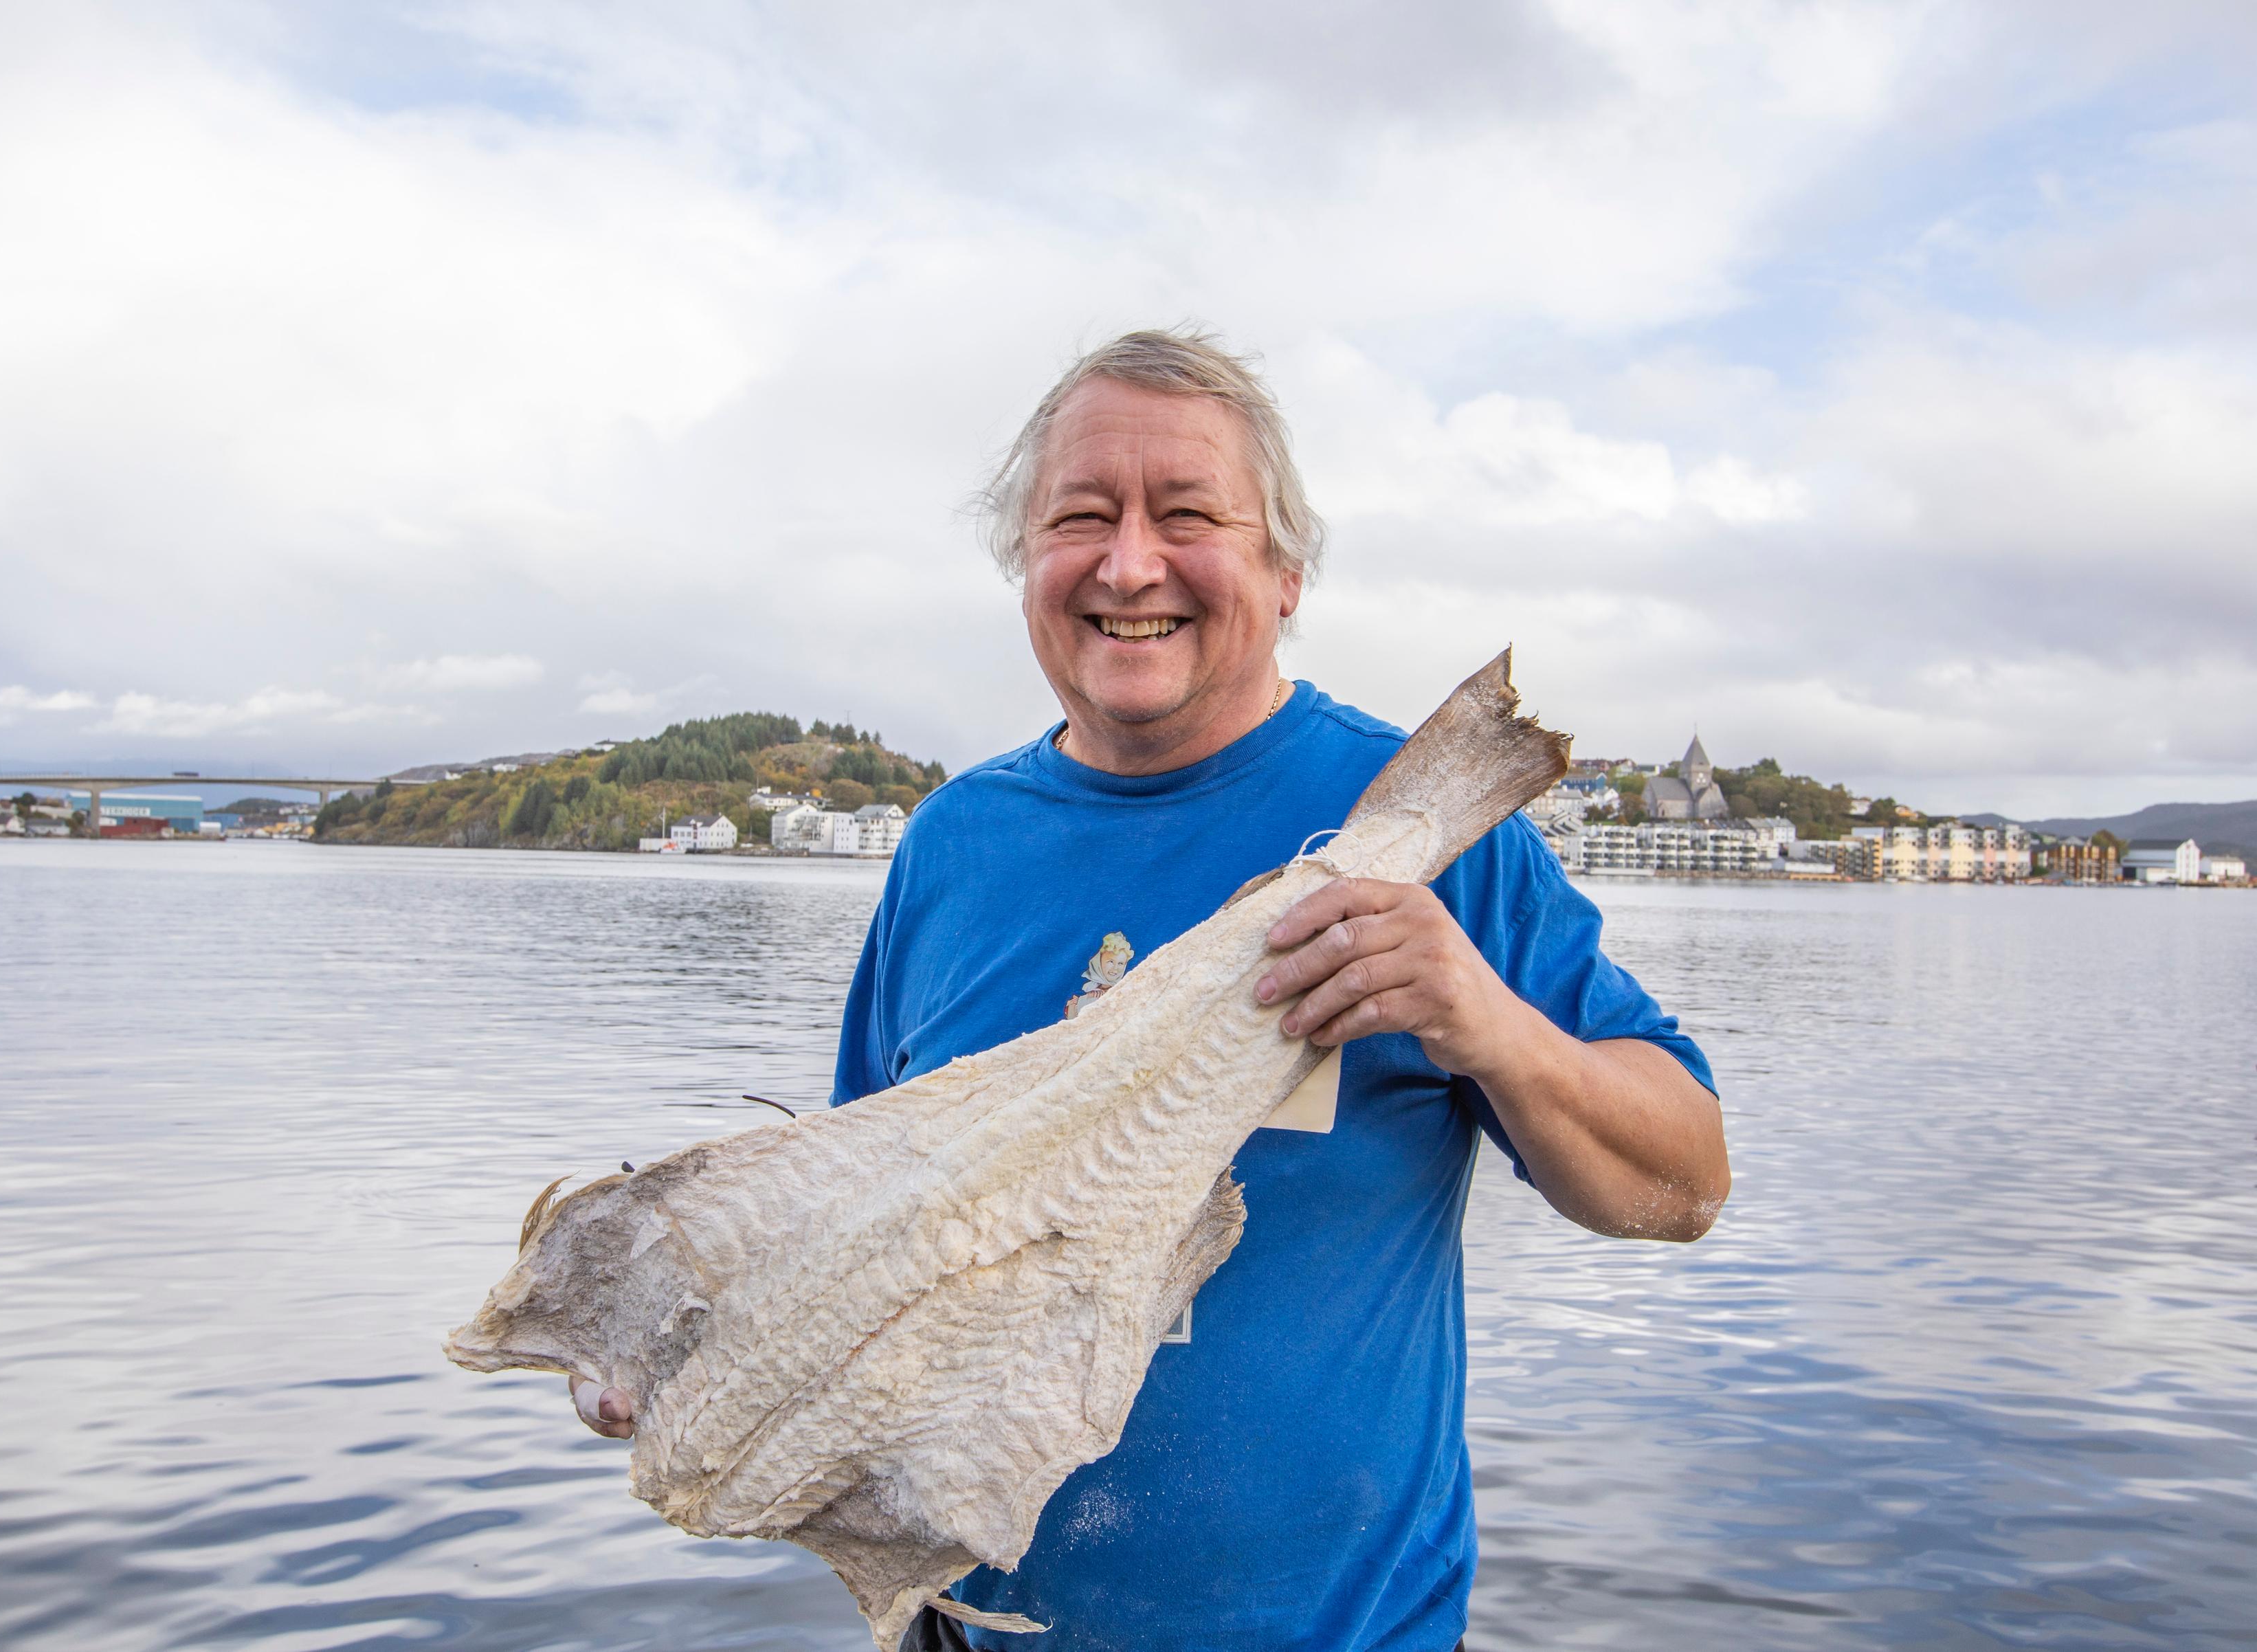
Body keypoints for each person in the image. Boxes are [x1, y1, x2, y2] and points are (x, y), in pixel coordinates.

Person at [574, 328, 1730, 1651]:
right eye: (1081, 518)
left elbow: (1684, 1185)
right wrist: (679, 1350)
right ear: (1027, 568)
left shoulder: (1428, 837)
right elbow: (858, 1245)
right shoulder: (953, 845)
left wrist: (1491, 1024)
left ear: (1286, 573)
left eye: (1188, 518)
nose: (1129, 565)